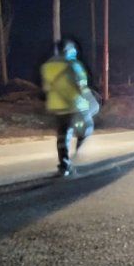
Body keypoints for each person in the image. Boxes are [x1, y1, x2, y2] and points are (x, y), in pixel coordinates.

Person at [41, 40, 95, 176]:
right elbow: (82, 85)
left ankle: (64, 164)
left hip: (55, 106)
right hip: (73, 104)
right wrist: (88, 99)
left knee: (62, 134)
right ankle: (77, 148)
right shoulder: (73, 65)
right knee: (86, 125)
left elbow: (46, 87)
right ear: (68, 50)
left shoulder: (47, 66)